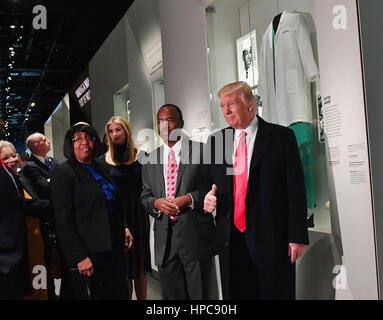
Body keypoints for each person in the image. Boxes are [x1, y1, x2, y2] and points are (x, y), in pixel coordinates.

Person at [201, 81, 309, 300]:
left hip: (272, 237)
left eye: (231, 104)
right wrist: (207, 197)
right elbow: (205, 181)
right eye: (222, 106)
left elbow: (295, 189)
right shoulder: (216, 141)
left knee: (274, 292)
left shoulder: (281, 137)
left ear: (250, 105)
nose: (226, 111)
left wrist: (296, 236)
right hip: (230, 238)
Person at [141, 104, 215, 300]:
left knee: (201, 297)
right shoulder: (150, 159)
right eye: (159, 121)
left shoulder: (202, 151)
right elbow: (145, 196)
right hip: (165, 242)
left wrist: (189, 198)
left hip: (195, 237)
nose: (164, 126)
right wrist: (156, 203)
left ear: (181, 123)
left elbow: (212, 188)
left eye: (169, 120)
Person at [50, 123, 133, 300]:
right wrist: (78, 257)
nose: (84, 142)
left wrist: (124, 227)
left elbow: (112, 201)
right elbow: (63, 220)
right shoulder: (63, 172)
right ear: (70, 144)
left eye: (89, 138)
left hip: (113, 249)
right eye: (78, 138)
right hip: (88, 255)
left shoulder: (100, 167)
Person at [98, 116, 151, 300]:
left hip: (139, 214)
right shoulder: (102, 161)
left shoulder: (141, 156)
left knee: (140, 267)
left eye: (118, 130)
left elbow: (149, 185)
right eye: (111, 131)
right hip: (116, 216)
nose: (114, 135)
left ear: (126, 131)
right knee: (124, 268)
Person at [0, 141, 50, 300]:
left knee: (40, 290)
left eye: (14, 156)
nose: (12, 160)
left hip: (34, 249)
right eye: (5, 157)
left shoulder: (20, 178)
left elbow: (28, 204)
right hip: (14, 254)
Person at [22, 133, 61, 299]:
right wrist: (55, 182)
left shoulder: (52, 162)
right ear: (36, 146)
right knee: (47, 266)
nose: (49, 141)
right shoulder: (30, 166)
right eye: (45, 139)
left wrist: (53, 181)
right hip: (45, 222)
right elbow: (46, 190)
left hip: (57, 220)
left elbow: (56, 184)